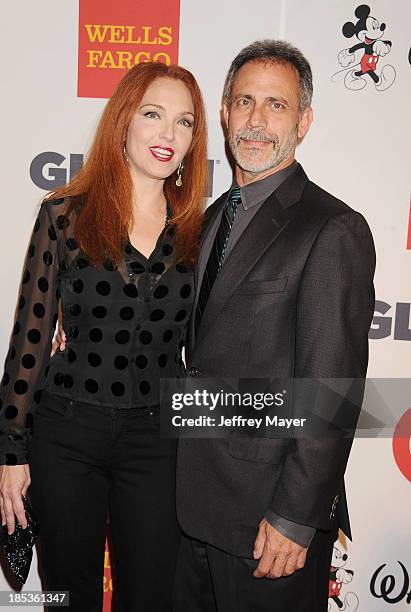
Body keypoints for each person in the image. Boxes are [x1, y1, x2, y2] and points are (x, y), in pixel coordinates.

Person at [174, 40, 376, 611]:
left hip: (268, 522)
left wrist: (295, 514)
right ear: (223, 110)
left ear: (305, 120)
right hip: (190, 510)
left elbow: (332, 389)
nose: (256, 121)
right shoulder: (210, 218)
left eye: (276, 105)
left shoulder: (332, 227)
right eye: (244, 102)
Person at [0, 61, 208, 611]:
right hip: (67, 433)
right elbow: (29, 341)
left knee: (151, 597)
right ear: (124, 122)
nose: (168, 133)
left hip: (159, 443)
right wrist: (11, 454)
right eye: (153, 114)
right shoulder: (64, 215)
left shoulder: (202, 231)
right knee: (67, 597)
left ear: (195, 141)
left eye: (184, 123)